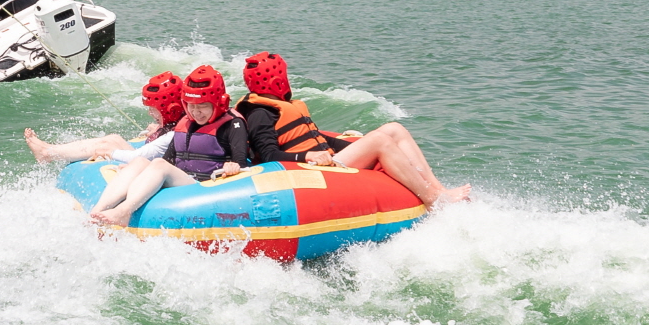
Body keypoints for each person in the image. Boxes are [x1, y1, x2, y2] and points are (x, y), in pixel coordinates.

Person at [235, 50, 471, 208]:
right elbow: (267, 155)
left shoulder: (281, 106)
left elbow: (316, 139)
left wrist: (356, 145)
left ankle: (438, 189)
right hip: (308, 171)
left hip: (325, 161)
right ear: (278, 80)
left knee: (394, 129)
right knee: (379, 141)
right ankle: (431, 199)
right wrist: (306, 156)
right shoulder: (259, 113)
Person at [88, 65, 250, 227]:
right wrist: (139, 171)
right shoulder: (185, 122)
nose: (196, 112)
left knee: (158, 164)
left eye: (202, 106)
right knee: (139, 162)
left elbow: (240, 162)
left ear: (219, 102)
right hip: (183, 179)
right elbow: (170, 159)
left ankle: (123, 212)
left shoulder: (233, 124)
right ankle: (97, 211)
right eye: (191, 106)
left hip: (206, 186)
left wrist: (233, 166)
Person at [25, 72, 184, 163]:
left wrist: (112, 152)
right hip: (151, 162)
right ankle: (49, 150)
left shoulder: (174, 135)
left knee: (106, 145)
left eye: (154, 110)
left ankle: (47, 153)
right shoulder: (178, 125)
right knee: (113, 137)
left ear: (172, 111)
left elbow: (143, 155)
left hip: (150, 167)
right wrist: (158, 129)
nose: (150, 114)